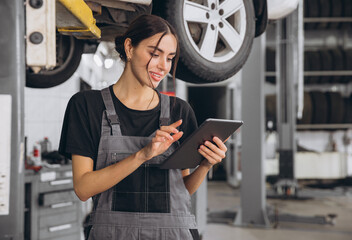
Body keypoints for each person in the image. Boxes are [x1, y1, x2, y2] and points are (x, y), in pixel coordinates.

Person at [59, 14, 227, 240]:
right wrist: (143, 155)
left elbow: (181, 189)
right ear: (129, 48)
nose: (163, 66)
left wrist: (206, 165)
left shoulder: (180, 111)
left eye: (169, 58)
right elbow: (83, 188)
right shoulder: (87, 106)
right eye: (154, 54)